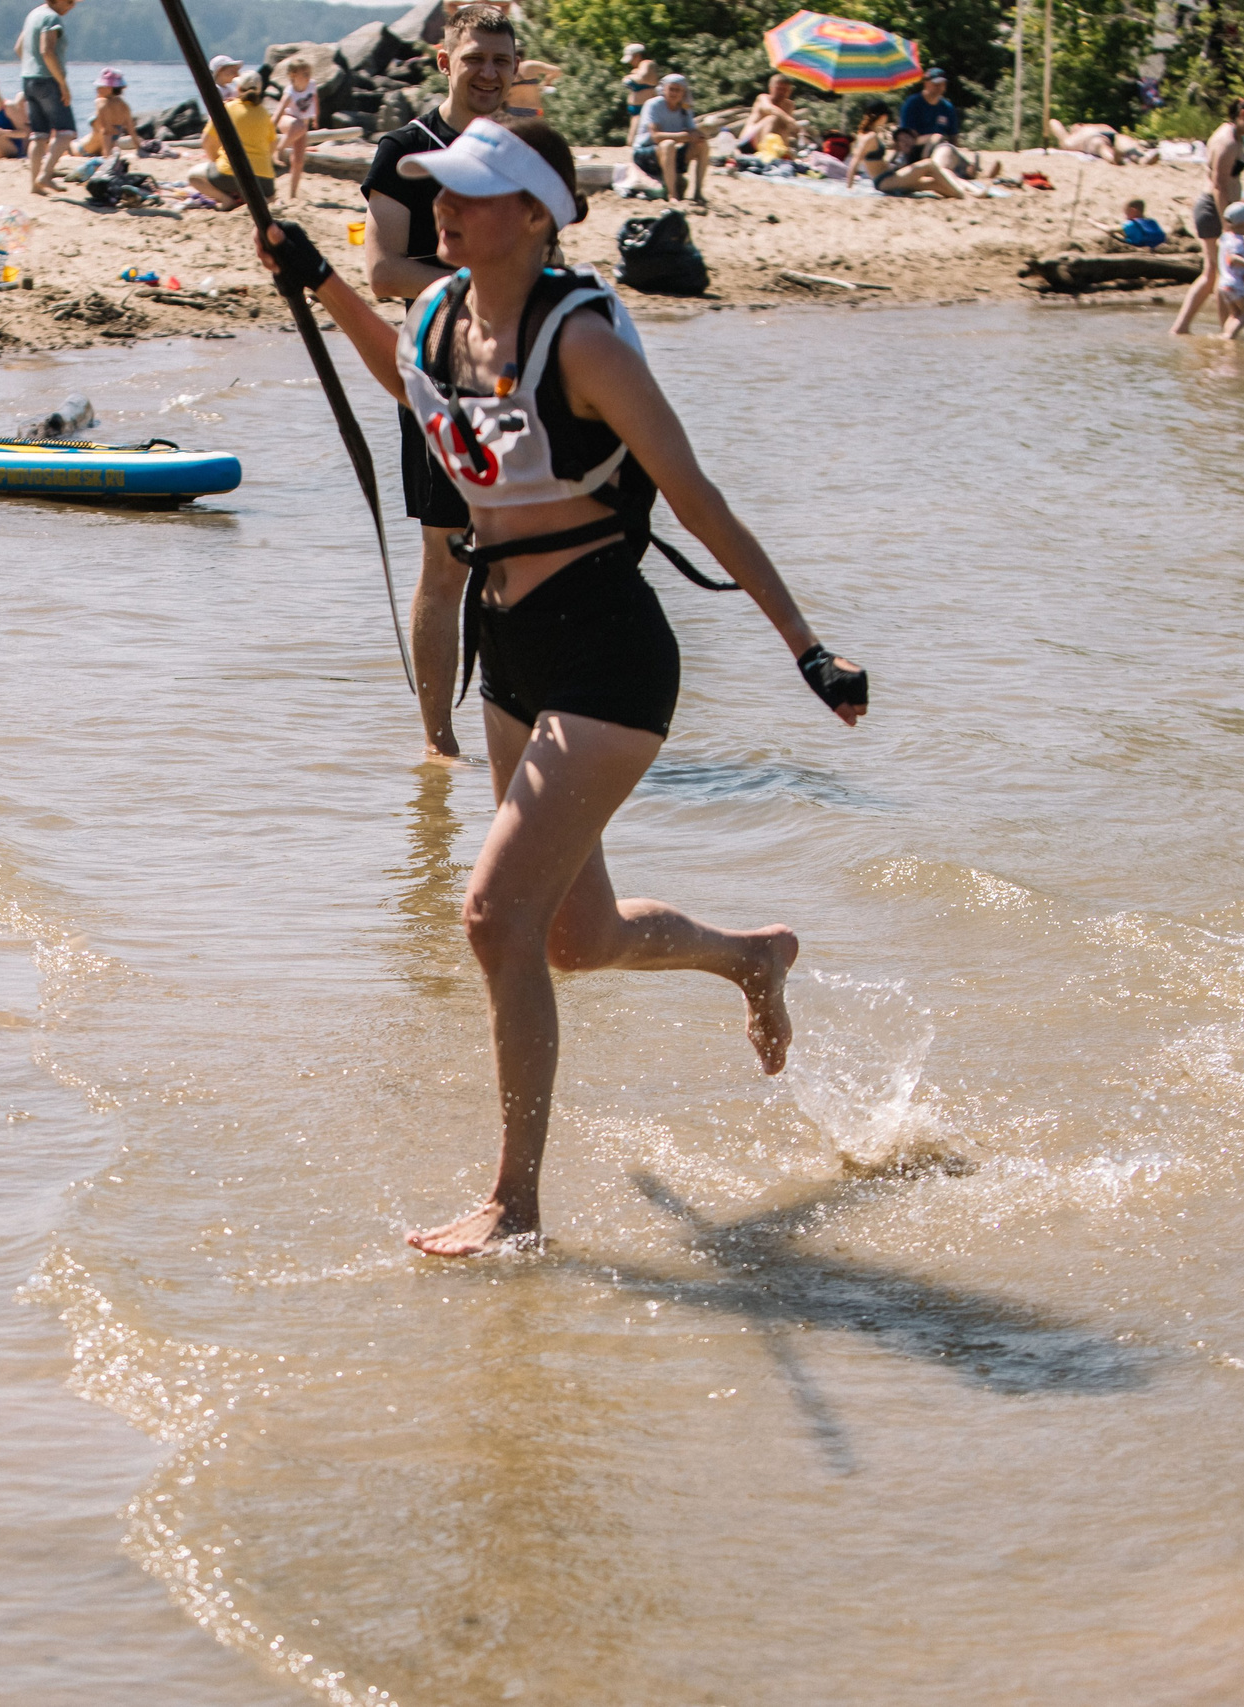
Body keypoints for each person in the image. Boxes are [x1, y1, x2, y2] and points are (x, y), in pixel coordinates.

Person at [253, 115, 868, 1256]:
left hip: (606, 651)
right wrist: (322, 282)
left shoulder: (583, 342)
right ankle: (750, 955)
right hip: (510, 647)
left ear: (536, 214)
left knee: (494, 919)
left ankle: (514, 1207)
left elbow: (696, 497)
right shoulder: (439, 311)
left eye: (474, 194)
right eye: (441, 190)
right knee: (572, 940)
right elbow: (415, 392)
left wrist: (804, 647)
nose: (446, 208)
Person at [362, 2, 519, 759]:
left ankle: (516, 720)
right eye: (474, 59)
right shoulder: (404, 150)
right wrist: (482, 265)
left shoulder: (524, 149)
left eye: (500, 61)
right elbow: (385, 271)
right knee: (446, 559)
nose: (487, 73)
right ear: (445, 62)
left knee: (519, 554)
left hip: (519, 378)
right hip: (436, 378)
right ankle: (438, 740)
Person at [1170, 94, 1244, 334]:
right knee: (1213, 272)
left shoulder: (1233, 134)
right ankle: (1183, 328)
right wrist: (1227, 223)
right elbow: (1219, 185)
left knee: (1217, 273)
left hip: (1221, 209)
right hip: (1214, 210)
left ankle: (1221, 330)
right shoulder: (1227, 141)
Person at [186, 67, 276, 209]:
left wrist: (215, 160)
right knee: (268, 194)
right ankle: (258, 199)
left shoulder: (228, 108)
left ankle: (226, 199)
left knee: (193, 176)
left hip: (229, 174)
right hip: (265, 181)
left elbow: (206, 140)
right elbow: (272, 147)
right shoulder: (265, 114)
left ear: (238, 88)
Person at [847, 103, 978, 198]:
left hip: (888, 177)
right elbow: (855, 161)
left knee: (933, 184)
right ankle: (963, 194)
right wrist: (849, 187)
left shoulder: (867, 135)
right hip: (884, 180)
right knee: (929, 164)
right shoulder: (871, 137)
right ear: (883, 117)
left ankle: (967, 194)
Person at [16, 0, 78, 197]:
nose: (72, 6)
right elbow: (47, 51)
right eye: (69, 1)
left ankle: (35, 184)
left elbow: (19, 48)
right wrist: (62, 83)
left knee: (39, 134)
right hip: (48, 80)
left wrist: (31, 66)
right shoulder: (52, 17)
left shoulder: (33, 14)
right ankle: (46, 174)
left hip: (28, 79)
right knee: (66, 132)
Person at [632, 72, 708, 203]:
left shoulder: (685, 109)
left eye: (678, 90)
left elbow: (691, 131)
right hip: (646, 152)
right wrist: (682, 136)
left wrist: (698, 135)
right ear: (664, 90)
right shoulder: (654, 105)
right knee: (668, 144)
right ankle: (672, 194)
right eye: (671, 89)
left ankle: (698, 193)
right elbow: (655, 136)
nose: (674, 93)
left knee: (702, 145)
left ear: (683, 93)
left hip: (669, 151)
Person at [1214, 200, 1244, 338]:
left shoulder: (1226, 237)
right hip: (1235, 284)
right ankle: (1229, 338)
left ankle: (1225, 335)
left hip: (1223, 284)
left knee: (1235, 314)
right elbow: (1233, 259)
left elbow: (1220, 244)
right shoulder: (1237, 241)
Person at [274, 55, 314, 198]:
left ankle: (292, 194)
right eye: (305, 74)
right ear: (293, 75)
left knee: (298, 161)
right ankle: (278, 149)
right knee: (300, 126)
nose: (308, 76)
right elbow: (278, 112)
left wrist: (315, 118)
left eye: (309, 73)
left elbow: (314, 102)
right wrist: (270, 128)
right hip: (286, 121)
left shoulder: (311, 85)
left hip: (301, 125)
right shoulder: (289, 92)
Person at [738, 74, 801, 156]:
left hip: (772, 144)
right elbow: (770, 109)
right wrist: (789, 120)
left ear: (790, 91)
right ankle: (766, 151)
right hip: (748, 141)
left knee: (784, 124)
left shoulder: (789, 105)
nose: (781, 92)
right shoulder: (762, 98)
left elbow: (787, 128)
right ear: (771, 88)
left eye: (785, 90)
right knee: (773, 118)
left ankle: (781, 153)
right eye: (779, 89)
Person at [1047, 117, 1153, 165]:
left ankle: (1114, 158)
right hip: (1111, 134)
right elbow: (1053, 122)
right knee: (1127, 143)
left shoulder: (1073, 138)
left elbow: (1053, 122)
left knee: (1100, 146)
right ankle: (1142, 158)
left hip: (1093, 137)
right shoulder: (1095, 126)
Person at [79, 67, 133, 158]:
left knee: (66, 143)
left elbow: (105, 131)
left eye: (100, 86)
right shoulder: (123, 105)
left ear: (107, 88)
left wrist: (106, 155)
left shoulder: (100, 104)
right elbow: (131, 129)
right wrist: (140, 149)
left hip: (87, 149)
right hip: (106, 148)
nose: (97, 89)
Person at [619, 44, 654, 124]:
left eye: (631, 59)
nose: (630, 62)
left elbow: (642, 78)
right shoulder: (637, 69)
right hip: (637, 111)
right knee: (633, 136)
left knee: (635, 136)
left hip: (644, 110)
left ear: (638, 56)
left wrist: (628, 77)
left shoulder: (646, 63)